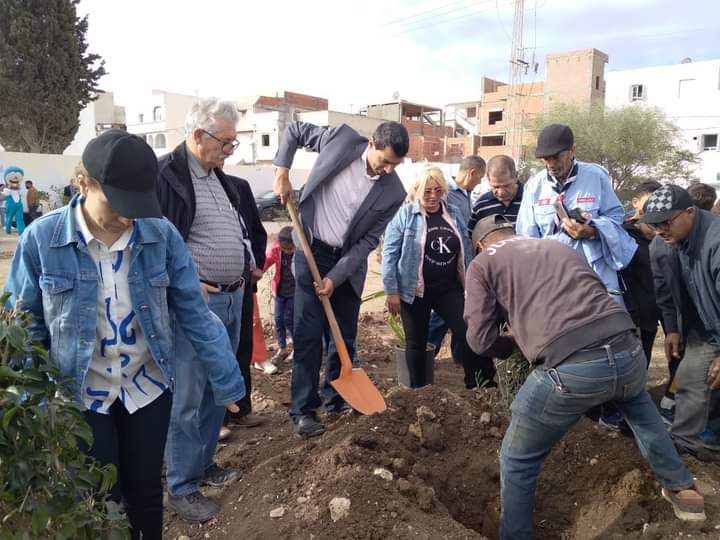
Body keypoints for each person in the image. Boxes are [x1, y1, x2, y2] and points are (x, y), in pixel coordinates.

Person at [5, 130, 245, 540]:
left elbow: (195, 313)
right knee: (102, 497)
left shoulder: (160, 235)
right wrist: (34, 404)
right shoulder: (41, 241)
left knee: (147, 492)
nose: (128, 216)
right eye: (118, 204)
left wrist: (227, 380)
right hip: (80, 396)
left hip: (146, 387)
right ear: (84, 183)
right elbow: (24, 327)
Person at [464, 214, 706, 539]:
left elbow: (479, 341)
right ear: (513, 233)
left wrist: (512, 345)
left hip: (573, 369)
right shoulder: (554, 246)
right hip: (627, 349)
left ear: (480, 244)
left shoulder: (481, 264)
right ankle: (683, 491)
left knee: (517, 458)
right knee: (641, 413)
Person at [273, 120, 409, 438]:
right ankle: (304, 410)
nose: (388, 170)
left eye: (396, 165)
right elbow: (293, 130)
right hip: (311, 249)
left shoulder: (394, 192)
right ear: (372, 143)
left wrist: (334, 277)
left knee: (343, 337)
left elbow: (366, 242)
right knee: (307, 335)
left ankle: (337, 398)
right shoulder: (341, 140)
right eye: (385, 161)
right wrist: (282, 171)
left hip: (347, 266)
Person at [156, 97, 250, 521]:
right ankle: (180, 485)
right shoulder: (166, 176)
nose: (230, 150)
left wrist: (248, 262)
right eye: (226, 143)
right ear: (198, 135)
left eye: (233, 144)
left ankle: (203, 464)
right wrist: (188, 281)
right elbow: (153, 243)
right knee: (189, 396)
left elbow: (235, 228)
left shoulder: (218, 177)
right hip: (196, 305)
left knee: (218, 389)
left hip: (233, 297)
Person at [382, 166, 495, 389]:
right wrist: (391, 290)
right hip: (415, 290)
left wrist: (472, 282)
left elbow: (465, 249)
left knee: (466, 330)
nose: (433, 196)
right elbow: (390, 253)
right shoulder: (405, 215)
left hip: (449, 288)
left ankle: (478, 383)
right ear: (417, 191)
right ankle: (418, 390)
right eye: (427, 191)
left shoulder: (452, 213)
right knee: (416, 341)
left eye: (437, 190)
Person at [516, 124, 636, 304]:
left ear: (572, 150)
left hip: (595, 269)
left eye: (556, 157)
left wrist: (592, 230)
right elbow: (527, 237)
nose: (551, 165)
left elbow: (616, 217)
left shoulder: (596, 177)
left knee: (608, 322)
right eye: (545, 159)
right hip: (553, 273)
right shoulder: (534, 186)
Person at [642, 185, 720, 459]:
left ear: (690, 212)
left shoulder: (715, 241)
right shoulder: (661, 245)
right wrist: (673, 328)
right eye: (654, 225)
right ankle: (687, 445)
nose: (660, 230)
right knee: (691, 379)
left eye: (666, 222)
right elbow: (663, 290)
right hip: (702, 325)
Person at [428, 155, 486, 363]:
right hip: (445, 263)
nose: (479, 182)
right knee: (443, 315)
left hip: (462, 263)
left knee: (460, 311)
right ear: (471, 173)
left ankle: (458, 356)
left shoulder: (466, 194)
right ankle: (426, 353)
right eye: (479, 178)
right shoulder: (445, 193)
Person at [224, 172, 268, 429]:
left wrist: (257, 266)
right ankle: (216, 418)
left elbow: (256, 231)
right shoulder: (187, 186)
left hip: (241, 280)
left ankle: (241, 410)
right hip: (208, 286)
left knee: (241, 344)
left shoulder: (239, 186)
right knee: (215, 349)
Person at [620, 180, 662, 364]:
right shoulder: (621, 235)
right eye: (649, 201)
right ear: (636, 202)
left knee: (643, 363)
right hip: (626, 317)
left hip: (651, 316)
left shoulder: (665, 234)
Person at [263, 225, 295, 370]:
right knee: (278, 319)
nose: (288, 251)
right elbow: (265, 262)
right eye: (285, 249)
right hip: (280, 292)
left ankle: (296, 347)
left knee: (289, 319)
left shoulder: (301, 252)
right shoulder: (276, 250)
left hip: (294, 292)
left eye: (290, 249)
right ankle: (282, 348)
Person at [467, 154, 523, 233]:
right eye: (496, 187)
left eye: (506, 186)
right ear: (488, 180)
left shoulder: (530, 200)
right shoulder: (481, 205)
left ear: (515, 177)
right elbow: (471, 237)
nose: (501, 192)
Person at [3, 167, 26, 234]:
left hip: (19, 206)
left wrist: (19, 188)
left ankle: (22, 231)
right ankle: (8, 229)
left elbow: (23, 194)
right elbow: (5, 194)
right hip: (10, 205)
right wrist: (10, 187)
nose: (15, 178)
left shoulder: (19, 189)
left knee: (20, 218)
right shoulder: (6, 189)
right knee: (9, 218)